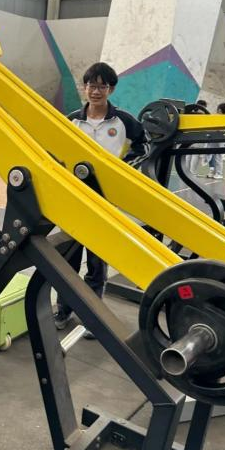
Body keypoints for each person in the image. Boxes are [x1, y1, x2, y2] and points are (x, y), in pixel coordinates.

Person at [54, 62, 147, 336]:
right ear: (85, 88)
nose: (96, 91)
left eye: (102, 86)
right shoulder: (72, 120)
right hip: (74, 200)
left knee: (96, 262)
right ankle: (63, 309)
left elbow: (143, 148)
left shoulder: (124, 121)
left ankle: (92, 316)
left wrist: (121, 171)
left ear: (111, 89)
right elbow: (56, 151)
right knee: (68, 259)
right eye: (92, 86)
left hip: (105, 202)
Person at [207, 102, 225, 179]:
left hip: (219, 138)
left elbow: (221, 129)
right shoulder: (221, 117)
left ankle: (219, 173)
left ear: (219, 109)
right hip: (215, 138)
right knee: (210, 154)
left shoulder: (224, 117)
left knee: (217, 156)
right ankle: (213, 171)